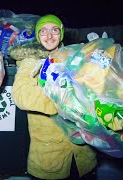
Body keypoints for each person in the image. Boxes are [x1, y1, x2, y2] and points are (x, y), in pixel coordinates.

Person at [12, 14, 98, 179]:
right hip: (49, 154)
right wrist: (64, 101)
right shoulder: (30, 62)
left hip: (83, 154)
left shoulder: (74, 58)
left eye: (54, 30)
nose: (49, 36)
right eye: (43, 31)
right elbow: (21, 95)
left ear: (62, 33)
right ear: (38, 35)